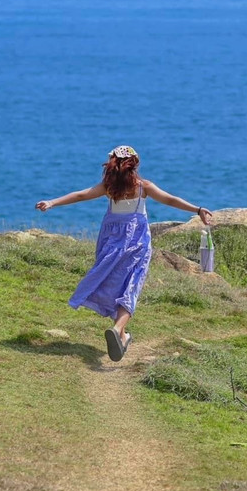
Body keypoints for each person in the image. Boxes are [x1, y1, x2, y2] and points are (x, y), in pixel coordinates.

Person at [35, 145, 214, 362]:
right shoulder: (143, 187)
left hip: (111, 242)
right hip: (137, 244)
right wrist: (197, 209)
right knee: (132, 285)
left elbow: (82, 195)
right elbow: (170, 199)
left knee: (111, 281)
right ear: (134, 165)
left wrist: (52, 202)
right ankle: (119, 328)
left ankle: (121, 334)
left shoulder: (109, 188)